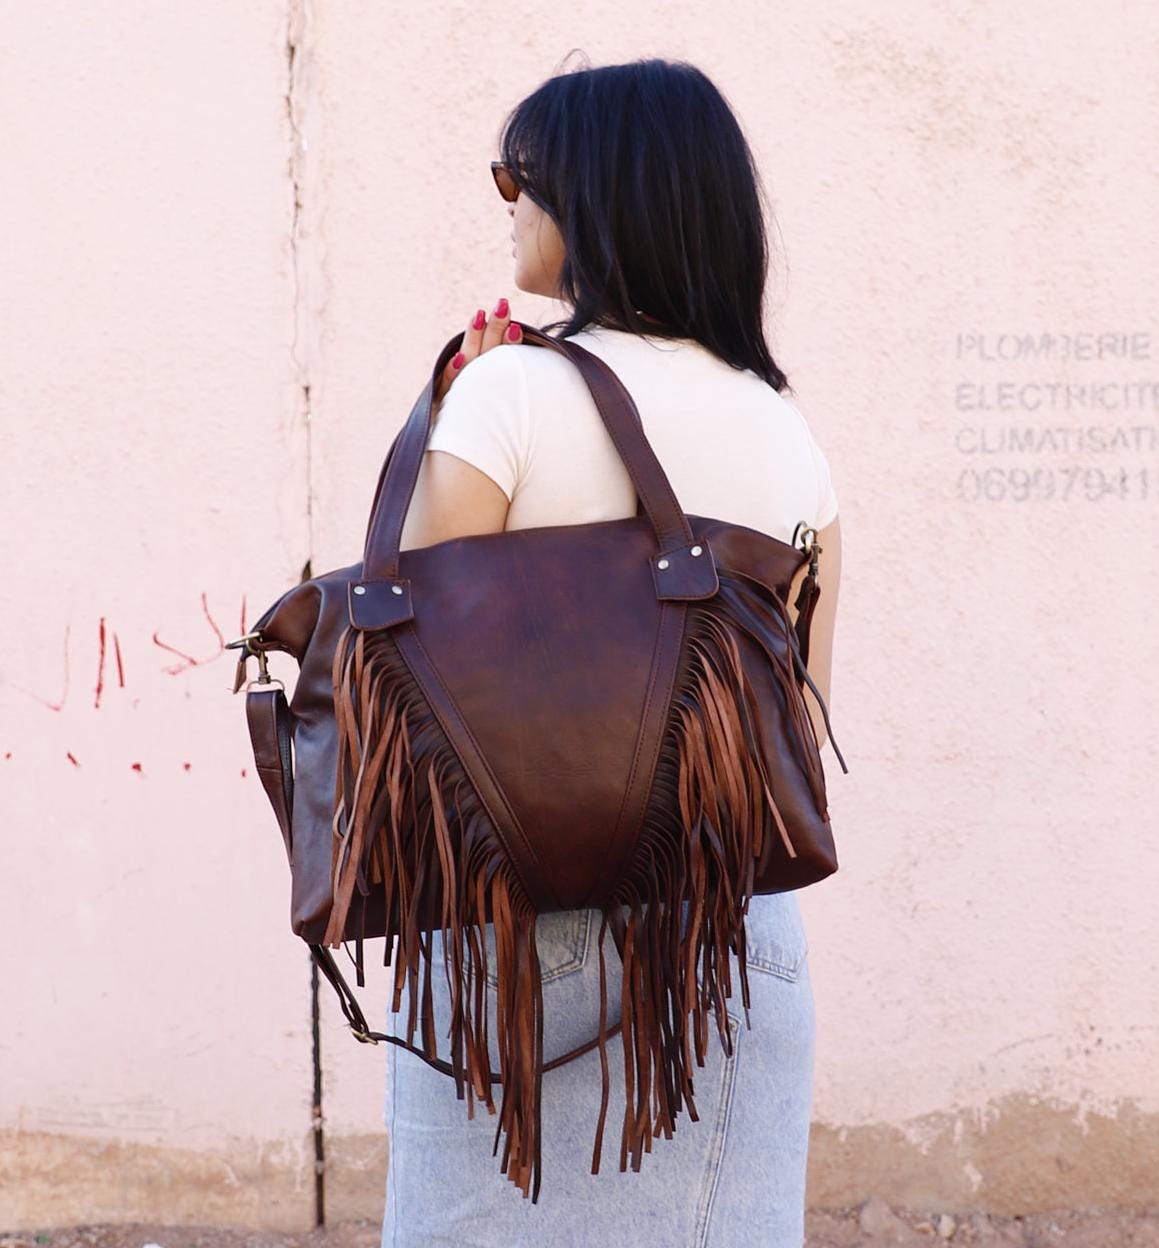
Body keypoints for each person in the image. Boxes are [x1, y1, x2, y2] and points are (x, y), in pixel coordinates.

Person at [385, 56, 842, 1248]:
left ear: (592, 197)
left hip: (532, 943)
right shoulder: (789, 432)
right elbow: (799, 721)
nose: (509, 206)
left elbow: (414, 678)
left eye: (518, 178)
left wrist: (456, 411)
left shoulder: (510, 399)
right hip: (734, 940)